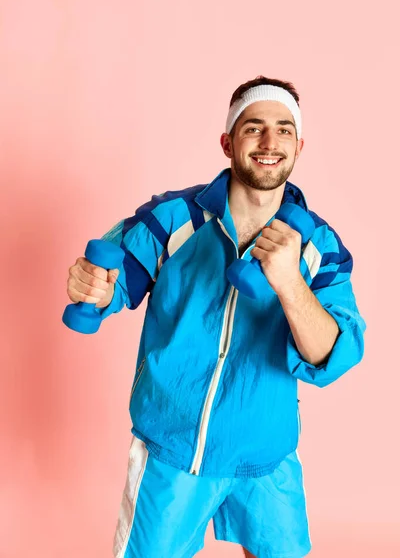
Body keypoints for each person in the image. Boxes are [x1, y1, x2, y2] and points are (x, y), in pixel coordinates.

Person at [66, 75, 366, 558]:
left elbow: (333, 355)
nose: (270, 142)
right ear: (227, 141)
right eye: (254, 128)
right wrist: (92, 287)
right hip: (173, 451)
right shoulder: (171, 218)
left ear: (300, 145)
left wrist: (289, 281)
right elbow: (110, 280)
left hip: (266, 457)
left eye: (284, 130)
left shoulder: (319, 248)